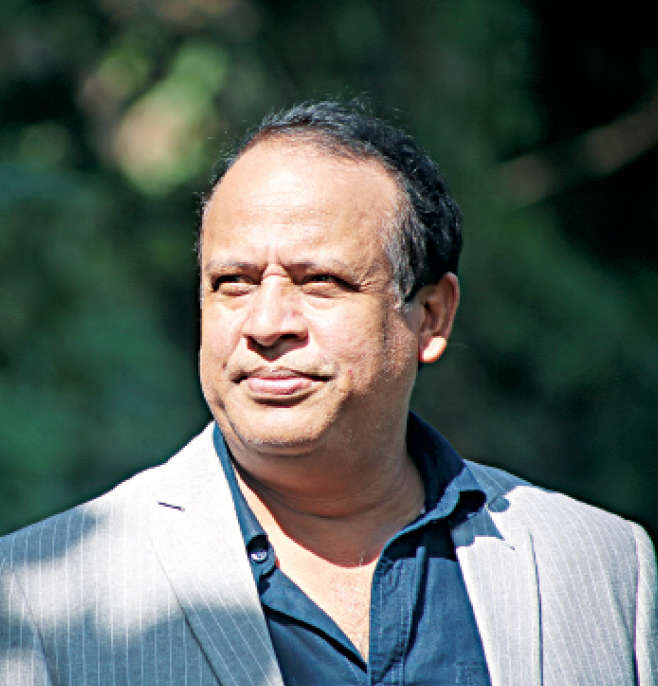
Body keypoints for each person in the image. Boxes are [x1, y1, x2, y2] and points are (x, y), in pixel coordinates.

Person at [1, 101, 655, 686]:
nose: (266, 324)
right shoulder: (38, 596)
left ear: (431, 316)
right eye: (233, 282)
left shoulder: (599, 565)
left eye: (320, 282)